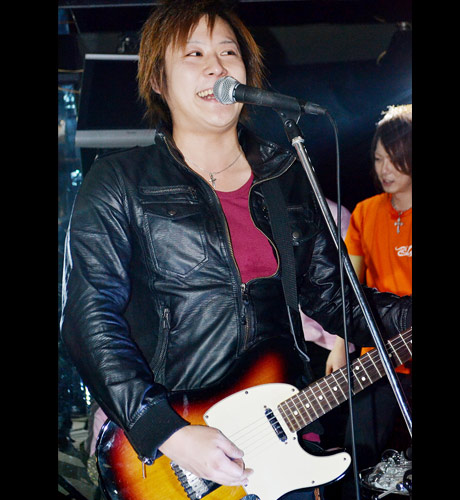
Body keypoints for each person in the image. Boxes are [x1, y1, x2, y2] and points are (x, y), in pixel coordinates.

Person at [60, 2, 412, 499]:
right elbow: (88, 317)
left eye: (229, 52)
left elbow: (339, 302)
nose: (217, 66)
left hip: (285, 441)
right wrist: (166, 430)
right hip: (174, 453)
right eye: (194, 54)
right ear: (157, 79)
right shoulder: (119, 182)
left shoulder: (285, 176)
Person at [327, 104, 412, 498]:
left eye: (394, 159)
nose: (385, 169)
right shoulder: (364, 212)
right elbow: (349, 288)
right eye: (378, 159)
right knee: (355, 459)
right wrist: (339, 344)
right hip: (376, 358)